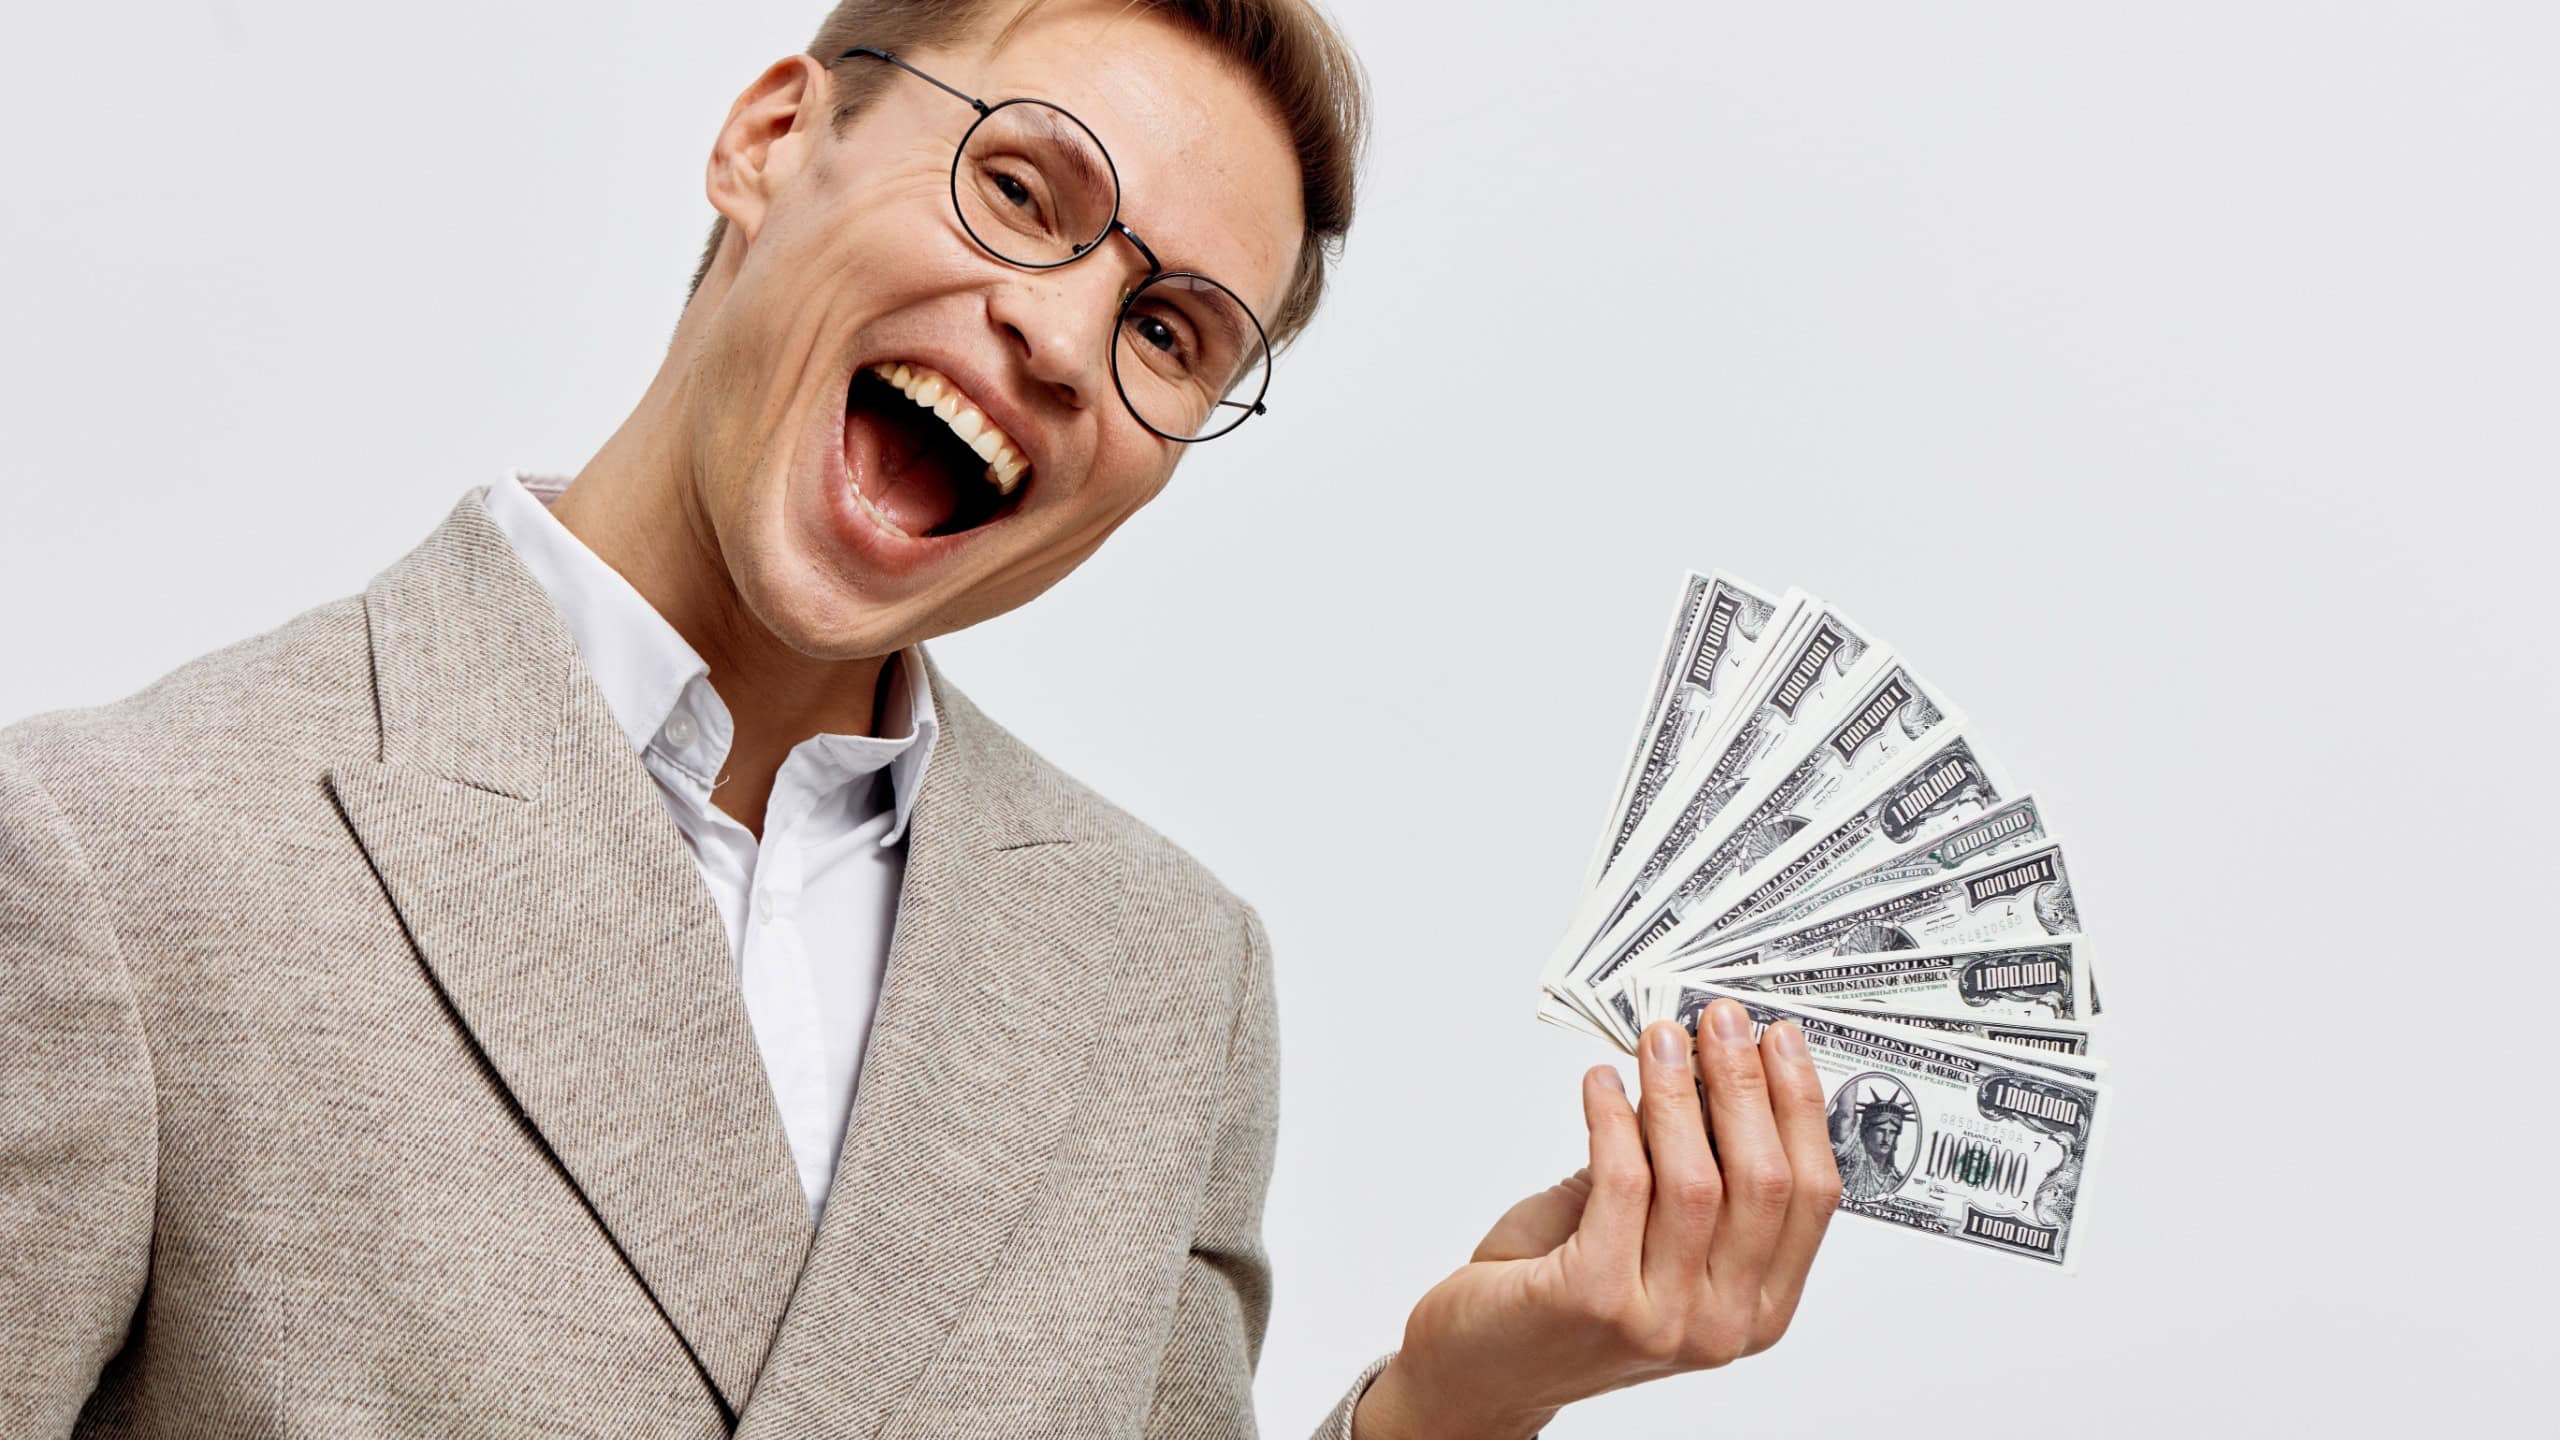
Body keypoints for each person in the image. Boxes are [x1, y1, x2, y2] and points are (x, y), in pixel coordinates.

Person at [0, 1, 1843, 1434]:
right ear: (771, 137)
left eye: (1174, 331)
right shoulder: (116, 859)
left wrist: (1458, 1407)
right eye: (1025, 192)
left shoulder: (1167, 982)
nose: (1060, 338)